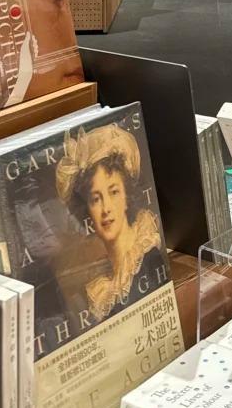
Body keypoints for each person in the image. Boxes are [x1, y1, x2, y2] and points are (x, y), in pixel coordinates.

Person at [56, 122, 168, 324]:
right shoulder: (102, 290)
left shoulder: (147, 256)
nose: (106, 208)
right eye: (95, 199)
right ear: (87, 209)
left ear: (127, 196)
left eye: (114, 192)